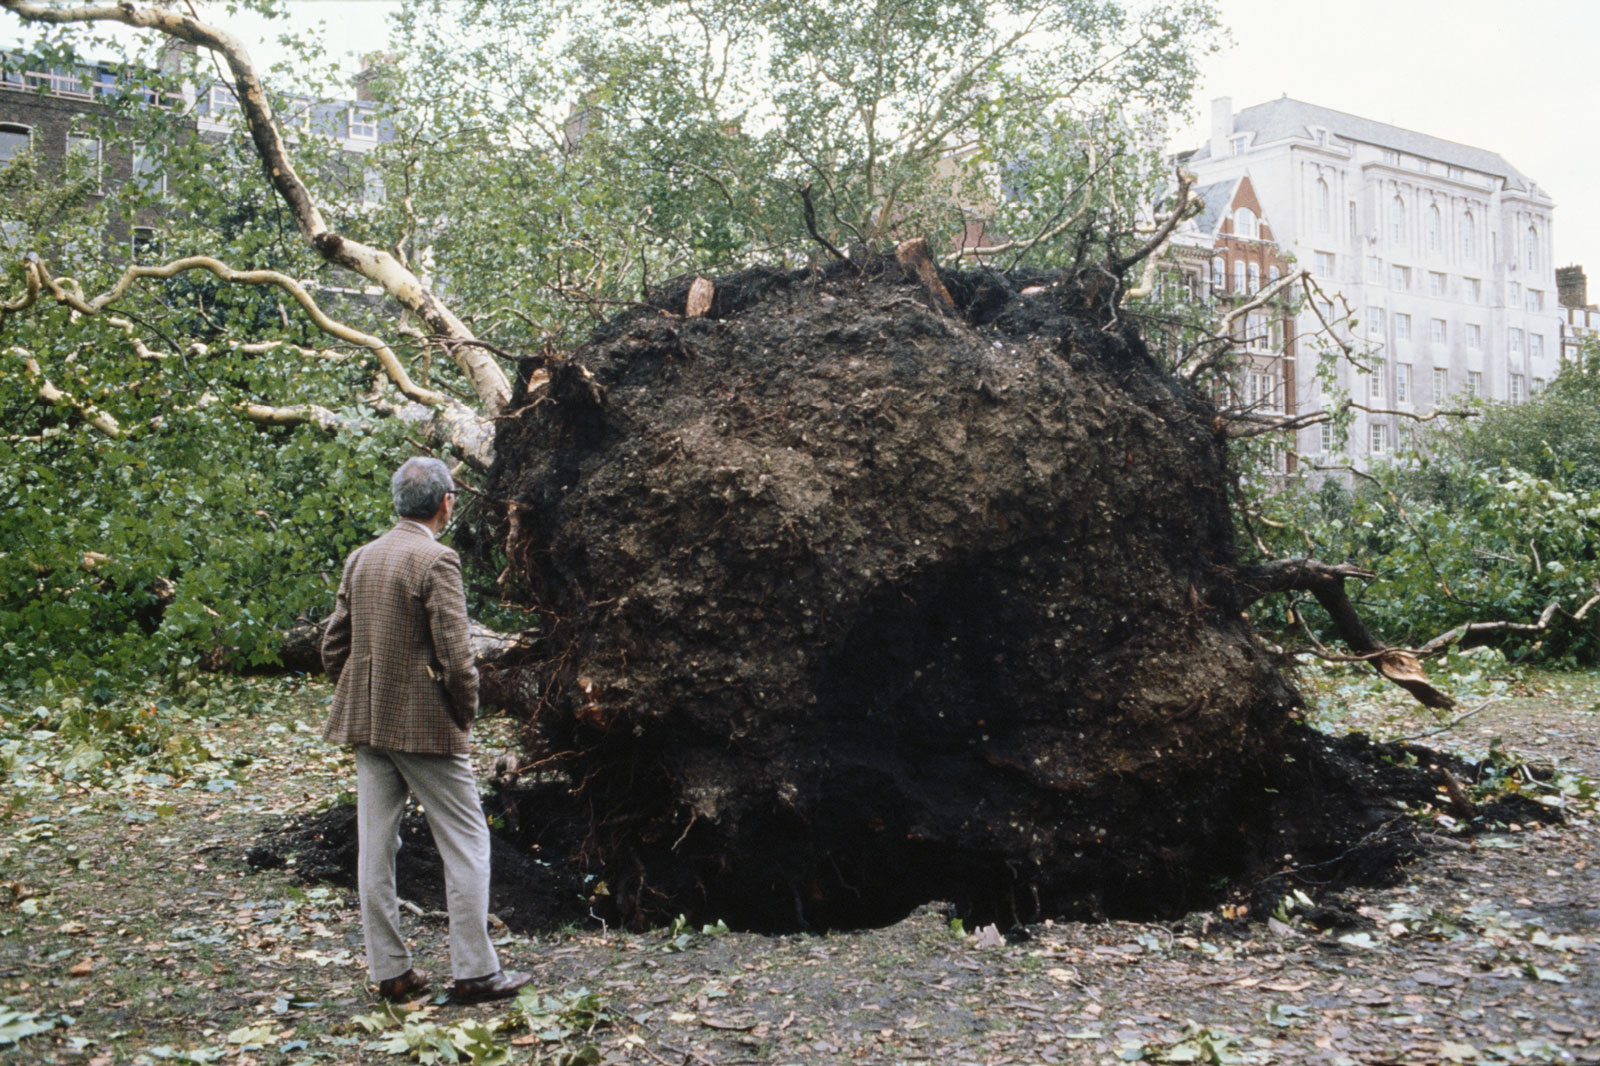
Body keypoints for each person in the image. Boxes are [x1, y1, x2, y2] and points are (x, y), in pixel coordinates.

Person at [321, 457, 532, 1004]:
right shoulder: (437, 559)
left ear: (398, 502)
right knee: (466, 842)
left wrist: (360, 695)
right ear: (446, 503)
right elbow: (458, 657)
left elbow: (332, 647)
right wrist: (464, 712)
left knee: (376, 848)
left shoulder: (361, 558)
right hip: (426, 727)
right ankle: (475, 972)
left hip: (367, 725)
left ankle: (390, 971)